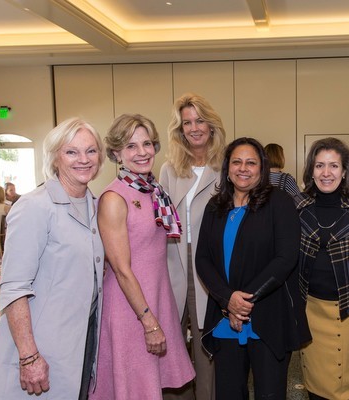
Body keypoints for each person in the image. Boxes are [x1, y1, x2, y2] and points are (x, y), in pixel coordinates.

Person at [0, 117, 105, 399]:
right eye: (71, 151)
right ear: (55, 157)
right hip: (40, 348)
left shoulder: (95, 206)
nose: (83, 159)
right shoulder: (35, 206)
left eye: (91, 151)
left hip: (81, 342)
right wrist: (29, 357)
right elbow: (13, 288)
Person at [90, 114, 195, 399]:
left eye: (147, 143)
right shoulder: (114, 199)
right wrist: (149, 322)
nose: (142, 152)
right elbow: (121, 269)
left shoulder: (154, 191)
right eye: (131, 146)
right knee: (135, 389)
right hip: (131, 308)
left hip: (155, 299)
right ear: (116, 153)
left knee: (149, 386)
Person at [195, 137, 307, 399]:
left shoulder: (279, 202)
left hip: (267, 317)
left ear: (262, 168)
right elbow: (202, 259)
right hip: (225, 319)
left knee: (270, 393)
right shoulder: (215, 206)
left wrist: (241, 302)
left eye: (251, 162)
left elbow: (285, 258)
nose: (243, 168)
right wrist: (227, 300)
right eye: (237, 162)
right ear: (227, 167)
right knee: (229, 393)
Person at [159, 93, 226, 400]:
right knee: (172, 341)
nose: (194, 127)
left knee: (205, 343)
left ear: (211, 125)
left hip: (209, 264)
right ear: (180, 129)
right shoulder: (169, 169)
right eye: (187, 122)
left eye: (200, 120)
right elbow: (160, 221)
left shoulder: (226, 167)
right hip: (173, 262)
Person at [296, 137, 349, 400]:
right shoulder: (297, 207)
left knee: (344, 383)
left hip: (346, 309)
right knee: (315, 384)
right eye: (320, 165)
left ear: (344, 171)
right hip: (309, 307)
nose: (326, 173)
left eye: (333, 166)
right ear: (311, 170)